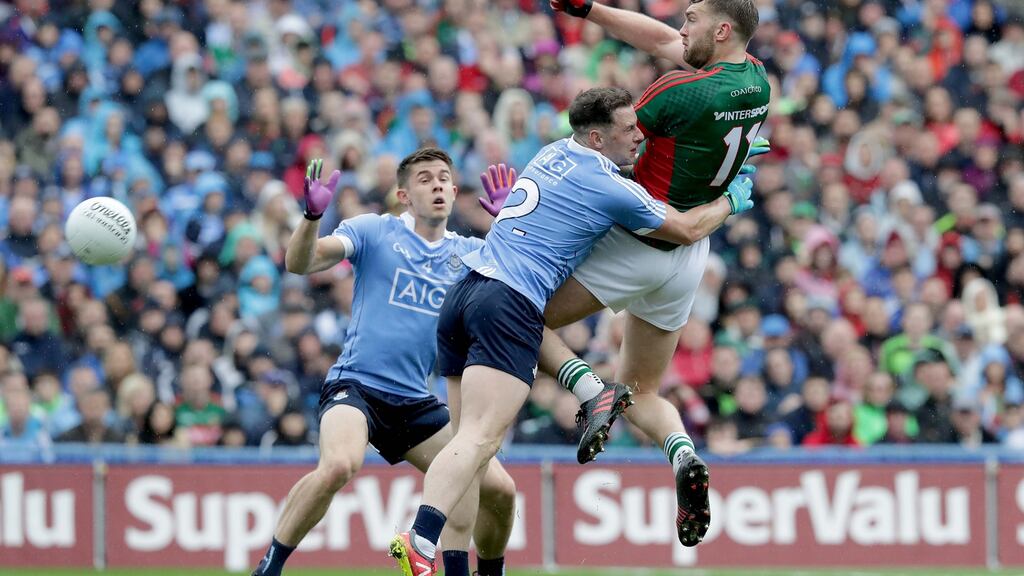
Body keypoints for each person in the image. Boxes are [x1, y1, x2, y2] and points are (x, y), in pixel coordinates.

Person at [389, 86, 756, 576]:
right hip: (509, 301)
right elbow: (686, 229)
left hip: (466, 293)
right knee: (477, 442)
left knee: (468, 455)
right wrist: (729, 197)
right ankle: (419, 541)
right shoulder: (609, 184)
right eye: (630, 129)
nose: (639, 135)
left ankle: (587, 392)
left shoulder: (553, 151)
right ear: (599, 137)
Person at [484, 0, 770, 549]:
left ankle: (587, 390)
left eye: (691, 19)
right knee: (641, 390)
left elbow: (609, 140)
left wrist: (527, 203)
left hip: (642, 239)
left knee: (512, 313)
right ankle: (683, 452)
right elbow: (666, 44)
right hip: (688, 258)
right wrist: (591, 10)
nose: (680, 29)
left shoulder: (675, 92)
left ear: (722, 28)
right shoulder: (756, 81)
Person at [252, 150, 517, 576]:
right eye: (425, 179)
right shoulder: (374, 231)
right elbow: (299, 263)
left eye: (444, 179)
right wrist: (311, 217)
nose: (436, 185)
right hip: (356, 385)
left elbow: (522, 286)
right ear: (404, 195)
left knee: (500, 490)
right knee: (340, 464)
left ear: (453, 191)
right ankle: (269, 567)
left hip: (415, 400)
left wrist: (511, 230)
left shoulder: (472, 254)